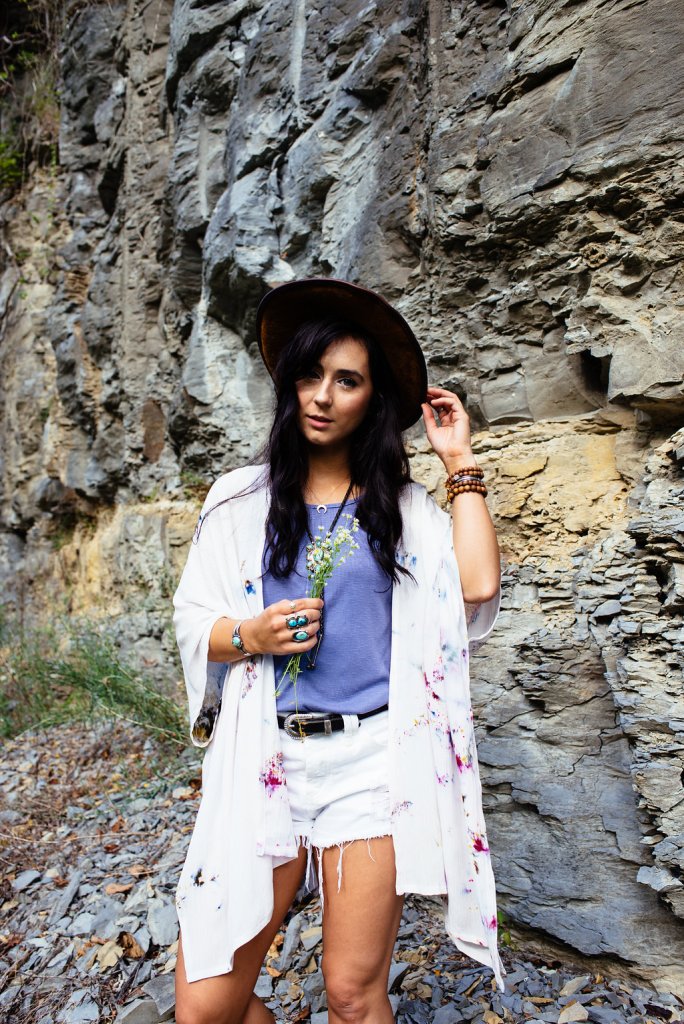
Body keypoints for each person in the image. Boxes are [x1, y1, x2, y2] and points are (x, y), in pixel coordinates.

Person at [172, 278, 504, 1024]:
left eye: (346, 380)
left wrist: (459, 462)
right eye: (310, 375)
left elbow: (477, 586)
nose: (322, 396)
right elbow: (195, 622)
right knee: (205, 1008)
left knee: (352, 997)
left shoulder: (402, 510)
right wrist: (251, 635)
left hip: (370, 767)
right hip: (264, 758)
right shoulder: (238, 502)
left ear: (371, 399)